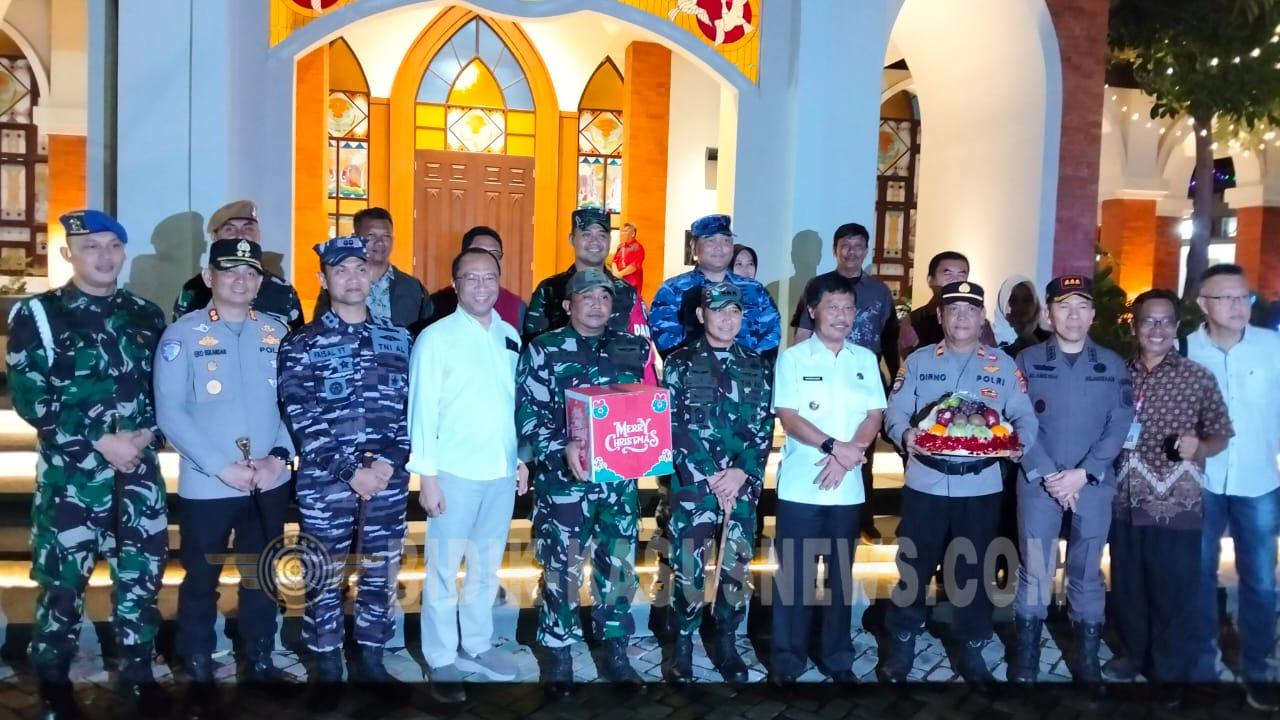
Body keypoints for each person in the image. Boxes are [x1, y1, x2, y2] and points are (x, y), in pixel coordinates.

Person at [7, 210, 170, 718]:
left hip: (137, 476)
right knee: (62, 586)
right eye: (91, 246)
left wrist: (148, 434)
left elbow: (167, 392)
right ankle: (53, 682)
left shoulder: (146, 315)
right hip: (72, 480)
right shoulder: (38, 314)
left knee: (141, 581)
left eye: (112, 246)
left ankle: (137, 675)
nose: (104, 256)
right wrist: (100, 440)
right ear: (68, 254)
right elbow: (30, 397)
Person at [154, 237, 296, 713]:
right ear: (208, 277)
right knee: (201, 578)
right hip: (209, 482)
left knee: (262, 574)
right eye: (230, 271)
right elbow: (171, 413)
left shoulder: (277, 332)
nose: (241, 280)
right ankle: (197, 663)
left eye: (250, 273)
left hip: (268, 479)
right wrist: (221, 466)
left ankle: (259, 659)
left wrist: (279, 457)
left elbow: (296, 405)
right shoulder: (182, 335)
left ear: (260, 281)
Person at [879, 281, 1037, 684]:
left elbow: (1024, 416)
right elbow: (895, 412)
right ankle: (902, 641)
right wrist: (904, 434)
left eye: (970, 310)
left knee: (973, 570)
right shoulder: (918, 362)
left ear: (982, 318)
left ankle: (971, 646)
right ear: (940, 315)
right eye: (953, 310)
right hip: (927, 483)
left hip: (980, 487)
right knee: (913, 565)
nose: (962, 317)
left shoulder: (1003, 365)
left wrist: (1019, 443)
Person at [277, 235, 412, 706]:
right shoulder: (302, 343)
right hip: (327, 481)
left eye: (360, 268)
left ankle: (372, 660)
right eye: (341, 270)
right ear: (323, 278)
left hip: (387, 480)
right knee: (323, 572)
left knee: (380, 571)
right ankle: (327, 666)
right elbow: (301, 416)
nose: (352, 278)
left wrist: (388, 463)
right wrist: (350, 471)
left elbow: (413, 411)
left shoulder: (399, 338)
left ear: (371, 274)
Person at [515, 268, 650, 698]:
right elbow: (527, 414)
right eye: (587, 297)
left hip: (617, 484)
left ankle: (616, 654)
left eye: (604, 297)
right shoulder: (545, 349)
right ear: (568, 304)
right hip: (564, 483)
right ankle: (559, 657)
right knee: (562, 570)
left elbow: (647, 404)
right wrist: (561, 446)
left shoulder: (631, 347)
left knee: (619, 568)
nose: (596, 305)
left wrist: (647, 446)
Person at [409, 247, 527, 704]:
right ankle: (440, 656)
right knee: (443, 570)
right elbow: (421, 409)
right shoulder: (435, 338)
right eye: (471, 278)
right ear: (455, 285)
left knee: (485, 567)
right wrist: (427, 476)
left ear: (499, 281)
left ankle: (476, 644)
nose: (481, 286)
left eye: (489, 277)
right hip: (453, 472)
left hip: (499, 470)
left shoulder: (509, 335)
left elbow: (512, 406)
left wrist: (519, 460)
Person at [1106, 289, 1232, 705]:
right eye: (1148, 320)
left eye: (1165, 321)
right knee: (1128, 585)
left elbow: (1221, 432)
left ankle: (1169, 672)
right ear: (1135, 325)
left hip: (1176, 502)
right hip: (1124, 499)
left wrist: (1202, 447)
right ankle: (1134, 655)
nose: (1157, 329)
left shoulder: (1197, 377)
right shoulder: (1118, 375)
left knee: (1172, 590)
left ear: (1176, 328)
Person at [1007, 275, 1133, 683]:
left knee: (1086, 570)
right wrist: (1049, 474)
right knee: (1035, 569)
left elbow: (1119, 424)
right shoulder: (1026, 361)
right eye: (1064, 306)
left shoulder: (1112, 365)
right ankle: (1027, 660)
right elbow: (1017, 420)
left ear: (1093, 314)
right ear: (1048, 313)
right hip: (1038, 481)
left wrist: (1083, 473)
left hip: (1092, 482)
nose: (1073, 315)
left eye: (1081, 306)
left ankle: (1087, 663)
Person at [770, 273, 885, 684]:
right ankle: (787, 660)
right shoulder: (794, 358)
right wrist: (834, 447)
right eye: (833, 307)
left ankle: (837, 658)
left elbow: (874, 414)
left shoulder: (864, 359)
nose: (842, 315)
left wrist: (850, 453)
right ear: (813, 310)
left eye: (848, 308)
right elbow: (789, 416)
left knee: (839, 581)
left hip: (848, 488)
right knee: (795, 579)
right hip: (802, 486)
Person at [660, 282, 774, 686]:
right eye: (718, 310)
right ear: (701, 314)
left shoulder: (757, 364)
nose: (727, 319)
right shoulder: (679, 363)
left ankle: (726, 639)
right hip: (695, 486)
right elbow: (671, 424)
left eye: (734, 311)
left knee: (736, 568)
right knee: (688, 568)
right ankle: (683, 642)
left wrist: (742, 472)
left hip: (740, 487)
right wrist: (711, 473)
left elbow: (764, 425)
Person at [1186, 264, 1280, 711]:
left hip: (1258, 479)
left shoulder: (1272, 346)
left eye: (1244, 296)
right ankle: (1203, 665)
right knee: (1198, 575)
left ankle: (1257, 667)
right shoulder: (1185, 351)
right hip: (1202, 481)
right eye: (1226, 297)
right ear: (1203, 304)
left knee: (1260, 579)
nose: (1238, 305)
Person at [789, 222, 901, 540]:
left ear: (867, 251)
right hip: (820, 379)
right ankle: (818, 511)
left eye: (858, 246)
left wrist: (895, 378)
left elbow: (889, 337)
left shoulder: (879, 291)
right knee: (820, 442)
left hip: (864, 377)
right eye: (846, 245)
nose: (852, 252)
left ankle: (862, 519)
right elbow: (802, 333)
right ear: (835, 250)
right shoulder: (818, 286)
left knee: (863, 451)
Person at [649, 214, 780, 360]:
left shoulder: (754, 289)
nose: (719, 248)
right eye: (710, 241)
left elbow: (771, 335)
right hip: (692, 372)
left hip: (748, 371)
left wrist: (749, 366)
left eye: (726, 240)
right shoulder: (672, 290)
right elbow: (666, 341)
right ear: (694, 247)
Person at [173, 200, 304, 330]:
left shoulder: (282, 290)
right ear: (214, 237)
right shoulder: (194, 290)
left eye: (248, 229)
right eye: (229, 229)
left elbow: (298, 339)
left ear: (259, 235)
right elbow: (180, 336)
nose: (240, 235)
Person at [523, 208, 643, 346]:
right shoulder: (549, 290)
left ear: (609, 241)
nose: (594, 241)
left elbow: (642, 349)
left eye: (602, 235)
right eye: (586, 235)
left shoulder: (628, 293)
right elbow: (532, 346)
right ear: (572, 239)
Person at [315, 207, 433, 338]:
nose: (380, 242)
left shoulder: (413, 288)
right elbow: (319, 331)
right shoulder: (341, 286)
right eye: (371, 236)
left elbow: (428, 334)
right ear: (355, 238)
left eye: (386, 236)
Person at [426, 225, 527, 331]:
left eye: (494, 254)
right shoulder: (435, 304)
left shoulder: (517, 306)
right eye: (479, 252)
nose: (487, 259)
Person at [898, 251, 996, 356]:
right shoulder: (913, 321)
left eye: (961, 274)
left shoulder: (976, 320)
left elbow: (991, 358)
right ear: (930, 280)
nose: (955, 280)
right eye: (948, 273)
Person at [994, 275, 1051, 358]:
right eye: (1012, 300)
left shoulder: (1051, 342)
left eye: (1027, 300)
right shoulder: (989, 343)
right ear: (1002, 304)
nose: (1020, 307)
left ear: (1035, 305)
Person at [610, 222, 645, 294]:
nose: (622, 233)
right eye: (622, 231)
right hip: (619, 283)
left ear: (633, 234)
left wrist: (620, 274)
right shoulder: (620, 246)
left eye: (625, 231)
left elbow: (634, 266)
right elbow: (614, 261)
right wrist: (615, 273)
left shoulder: (638, 247)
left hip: (632, 285)